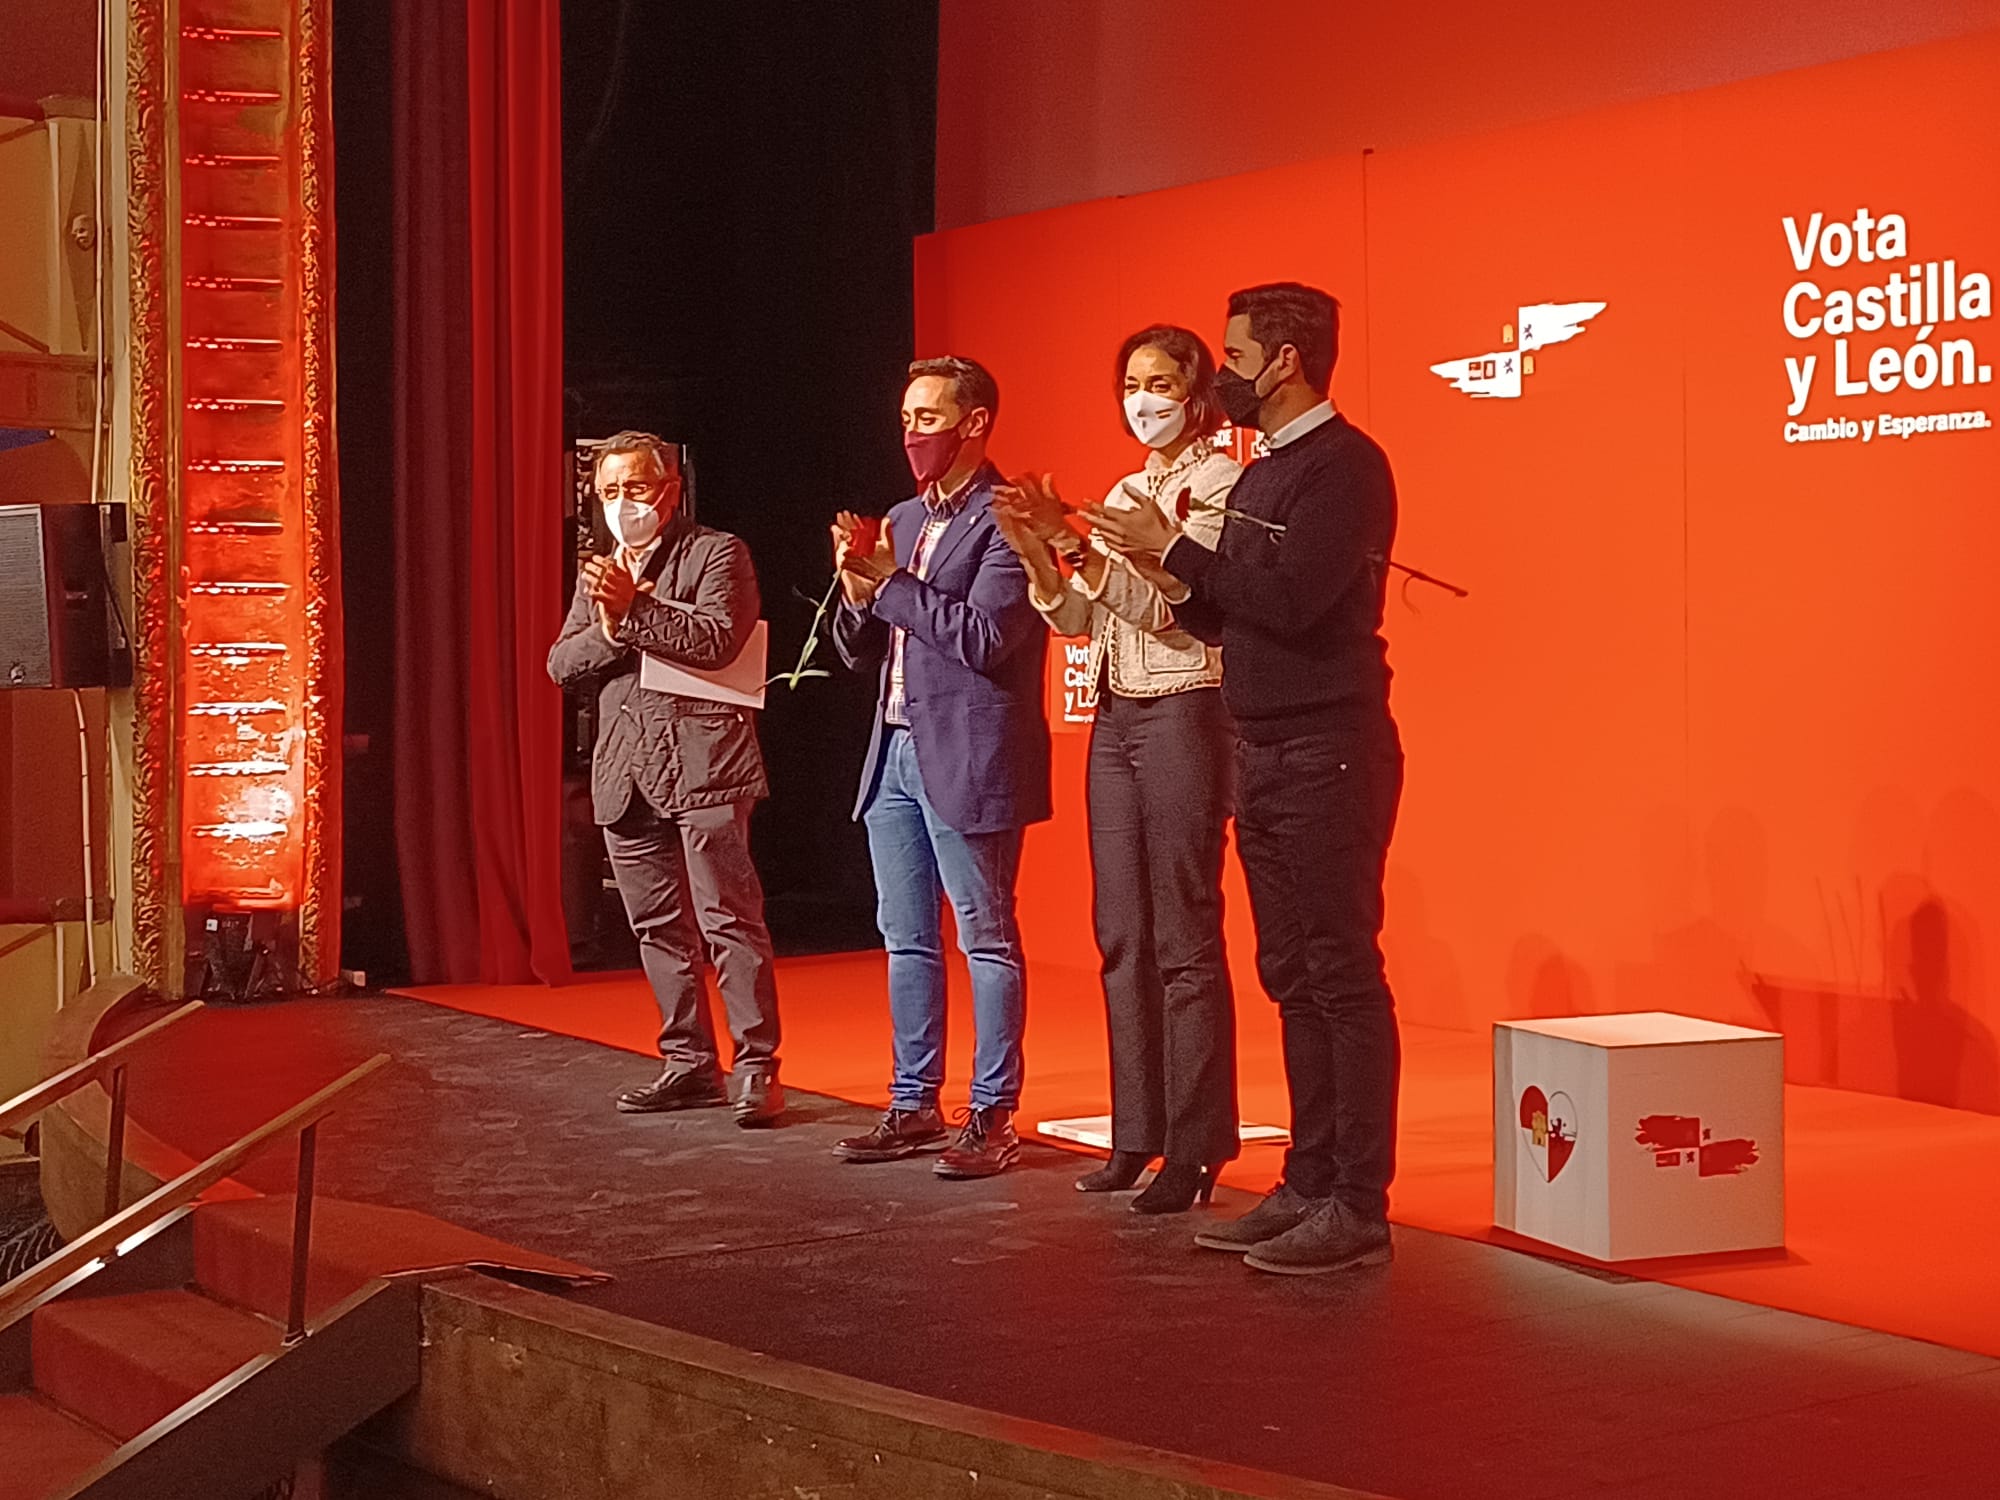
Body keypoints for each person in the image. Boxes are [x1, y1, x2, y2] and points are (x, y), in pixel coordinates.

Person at [1086, 284, 1402, 1275]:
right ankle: (1307, 1181)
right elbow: (1226, 613)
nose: (1221, 374)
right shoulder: (1264, 471)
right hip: (1259, 745)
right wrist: (1153, 567)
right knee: (1290, 974)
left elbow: (1295, 600)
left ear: (1284, 361)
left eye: (1232, 356)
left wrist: (1172, 548)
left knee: (1338, 972)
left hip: (1326, 748)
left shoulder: (1345, 466)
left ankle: (1357, 1202)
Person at [990, 325, 1241, 1215]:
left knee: (1184, 931)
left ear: (1197, 394)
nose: (1144, 400)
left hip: (1185, 708)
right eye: (1132, 383)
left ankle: (1198, 1145)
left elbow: (1175, 614)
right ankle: (1137, 1130)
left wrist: (1084, 548)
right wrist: (1038, 551)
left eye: (1161, 383)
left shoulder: (1220, 483)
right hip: (1115, 714)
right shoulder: (1128, 489)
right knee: (1121, 933)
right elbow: (1079, 623)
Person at [828, 356, 1052, 1179]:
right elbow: (860, 649)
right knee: (905, 938)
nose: (913, 434)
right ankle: (913, 1100)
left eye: (928, 418)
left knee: (985, 935)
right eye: (907, 419)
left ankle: (991, 1114)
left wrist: (889, 585)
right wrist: (856, 591)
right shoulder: (901, 517)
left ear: (975, 422)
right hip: (893, 750)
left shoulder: (1005, 517)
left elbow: (987, 639)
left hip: (968, 753)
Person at [546, 431, 785, 1127]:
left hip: (707, 765)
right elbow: (561, 663)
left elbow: (719, 640)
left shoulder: (717, 553)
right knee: (656, 926)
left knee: (728, 919)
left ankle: (756, 1066)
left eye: (637, 488)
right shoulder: (599, 573)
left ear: (671, 491)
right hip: (626, 770)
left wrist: (635, 611)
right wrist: (611, 628)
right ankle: (688, 1062)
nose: (624, 504)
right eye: (610, 492)